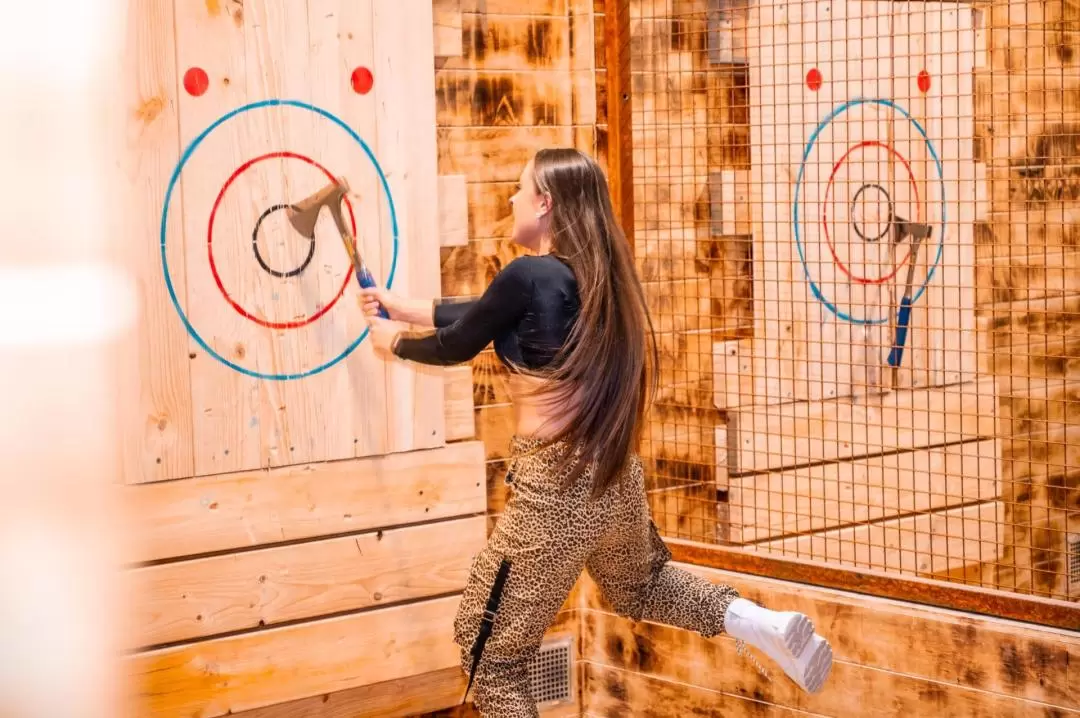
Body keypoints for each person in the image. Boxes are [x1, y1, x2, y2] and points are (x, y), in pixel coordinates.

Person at [358, 148, 832, 716]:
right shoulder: (599, 280)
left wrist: (392, 343)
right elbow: (482, 310)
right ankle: (762, 623)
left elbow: (461, 340)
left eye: (519, 188)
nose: (510, 198)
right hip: (613, 480)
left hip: (554, 493)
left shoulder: (528, 275)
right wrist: (399, 307)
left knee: (491, 660)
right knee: (645, 584)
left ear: (544, 202)